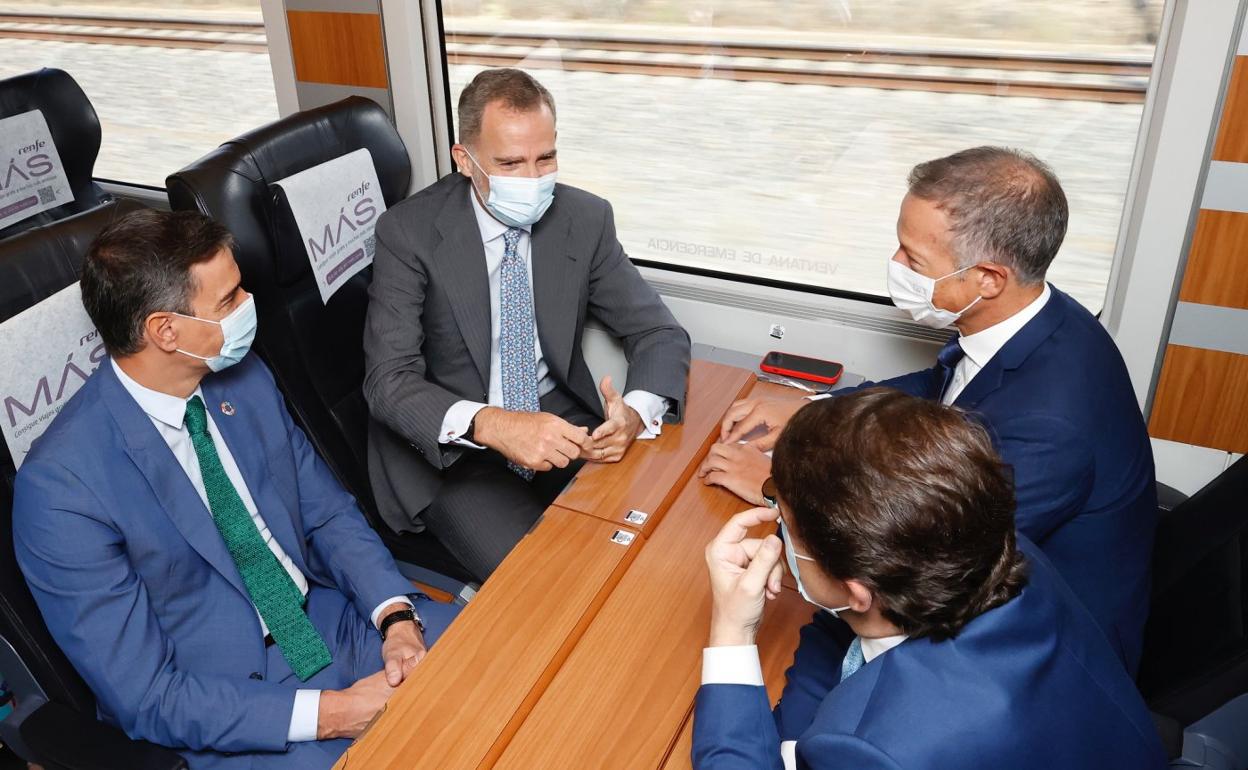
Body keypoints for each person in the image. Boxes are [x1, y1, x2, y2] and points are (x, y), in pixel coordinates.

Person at [13, 210, 459, 770]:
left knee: (494, 667)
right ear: (165, 331)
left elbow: (327, 516)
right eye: (229, 300)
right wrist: (334, 712)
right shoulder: (60, 489)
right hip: (230, 704)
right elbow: (148, 694)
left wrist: (393, 618)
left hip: (328, 619)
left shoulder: (244, 380)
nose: (250, 303)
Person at [700, 147, 1155, 673]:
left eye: (913, 259)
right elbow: (942, 385)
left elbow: (916, 555)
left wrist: (779, 484)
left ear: (988, 278)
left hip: (1043, 651)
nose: (896, 265)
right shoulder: (1035, 318)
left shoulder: (1049, 429)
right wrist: (813, 408)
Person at [695, 389, 1166, 769]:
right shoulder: (993, 545)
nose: (777, 527)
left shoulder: (875, 749)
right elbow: (848, 636)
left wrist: (732, 631)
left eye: (783, 519)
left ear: (857, 590)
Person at [364, 68, 691, 582]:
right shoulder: (409, 233)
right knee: (548, 580)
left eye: (546, 159)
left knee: (649, 547)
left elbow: (659, 333)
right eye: (510, 163)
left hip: (561, 418)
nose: (533, 179)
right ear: (464, 160)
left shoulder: (584, 219)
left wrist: (636, 411)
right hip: (454, 455)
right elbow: (388, 382)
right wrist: (496, 424)